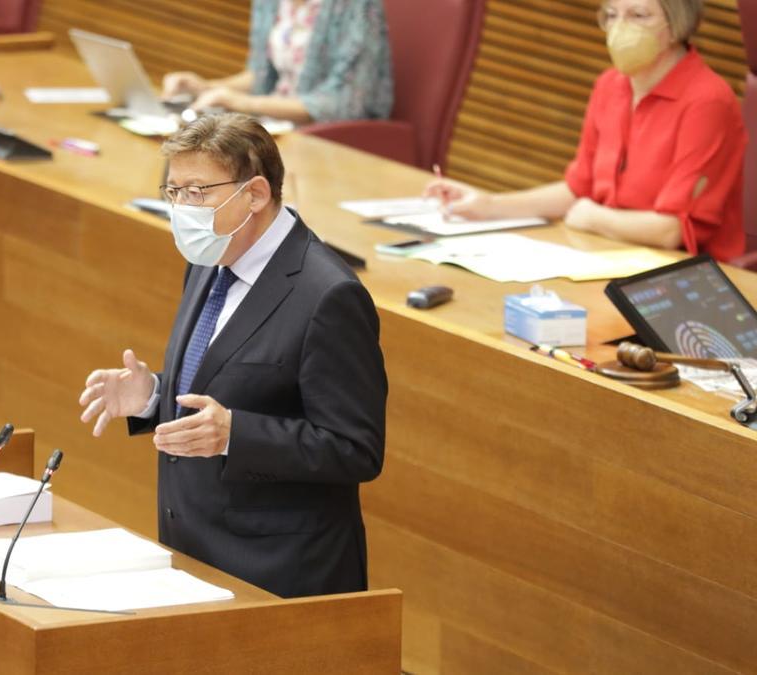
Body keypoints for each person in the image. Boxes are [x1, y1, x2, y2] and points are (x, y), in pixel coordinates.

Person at [77, 113, 387, 598]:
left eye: (197, 191)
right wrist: (152, 396)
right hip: (195, 552)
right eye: (173, 191)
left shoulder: (328, 295)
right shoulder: (211, 258)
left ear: (256, 195)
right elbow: (223, 387)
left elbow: (356, 448)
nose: (181, 208)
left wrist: (236, 436)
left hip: (279, 574)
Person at [426, 0, 747, 261]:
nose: (622, 28)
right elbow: (579, 189)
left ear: (677, 24)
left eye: (639, 15)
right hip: (608, 254)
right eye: (612, 14)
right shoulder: (611, 86)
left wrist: (593, 218)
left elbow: (669, 230)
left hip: (685, 275)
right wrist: (489, 206)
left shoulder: (707, 101)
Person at [162, 0, 393, 124]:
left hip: (326, 138)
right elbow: (261, 75)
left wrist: (245, 103)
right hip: (273, 130)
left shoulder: (357, 6)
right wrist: (205, 88)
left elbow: (346, 103)